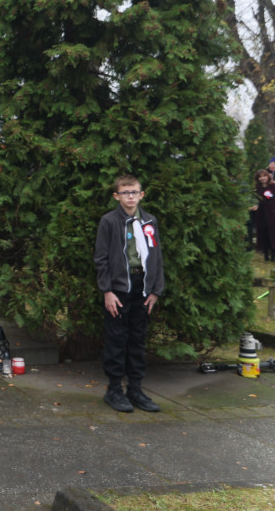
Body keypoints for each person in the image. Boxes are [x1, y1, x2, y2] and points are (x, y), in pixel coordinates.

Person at [93, 174, 163, 413]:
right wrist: (107, 291)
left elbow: (157, 257)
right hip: (119, 288)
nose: (130, 197)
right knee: (116, 339)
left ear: (141, 194)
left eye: (134, 192)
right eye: (125, 193)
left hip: (143, 287)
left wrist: (155, 290)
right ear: (117, 196)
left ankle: (135, 389)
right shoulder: (109, 221)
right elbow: (101, 259)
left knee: (137, 339)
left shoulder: (150, 221)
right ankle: (114, 389)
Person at [254, 169, 275, 261]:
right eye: (260, 177)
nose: (262, 178)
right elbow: (255, 200)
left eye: (264, 176)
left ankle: (273, 256)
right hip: (262, 215)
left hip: (272, 214)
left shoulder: (273, 186)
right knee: (264, 234)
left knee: (273, 234)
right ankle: (266, 255)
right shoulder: (257, 188)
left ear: (268, 176)